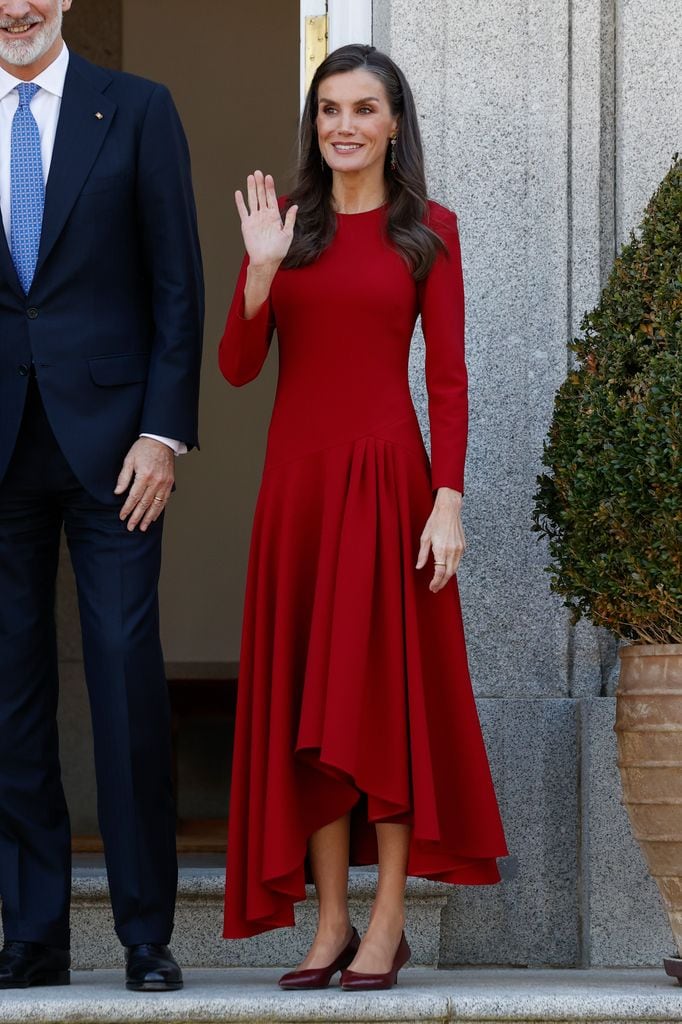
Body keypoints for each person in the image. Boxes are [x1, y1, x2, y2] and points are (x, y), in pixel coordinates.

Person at [219, 43, 506, 991]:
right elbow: (236, 368)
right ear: (315, 123)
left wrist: (448, 500)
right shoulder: (283, 229)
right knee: (311, 703)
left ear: (393, 123)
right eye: (329, 109)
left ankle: (386, 923)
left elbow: (450, 379)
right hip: (297, 495)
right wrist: (260, 273)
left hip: (390, 489)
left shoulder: (431, 231)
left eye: (362, 109)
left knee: (380, 704)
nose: (343, 125)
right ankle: (332, 923)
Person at [0, 0, 203, 992]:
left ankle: (145, 935)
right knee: (9, 697)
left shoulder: (137, 108)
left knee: (125, 683)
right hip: (1, 451)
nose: (14, 6)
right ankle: (33, 934)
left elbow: (177, 283)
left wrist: (164, 434)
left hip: (120, 452)